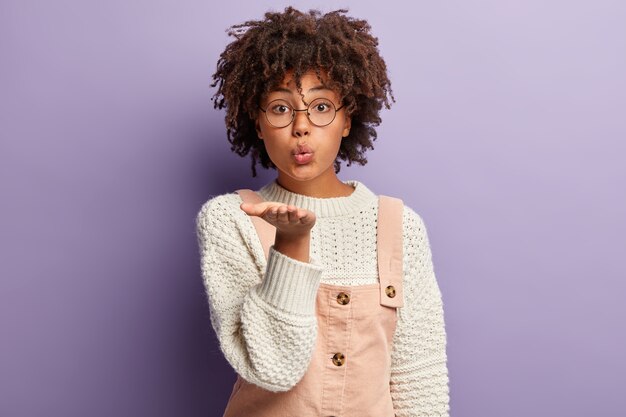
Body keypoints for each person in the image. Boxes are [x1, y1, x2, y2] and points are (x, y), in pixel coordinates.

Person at [196, 7, 449, 417]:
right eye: (280, 108)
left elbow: (419, 377)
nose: (301, 127)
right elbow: (272, 369)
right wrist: (292, 244)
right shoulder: (233, 219)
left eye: (320, 107)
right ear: (257, 123)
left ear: (347, 118)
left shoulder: (399, 225)